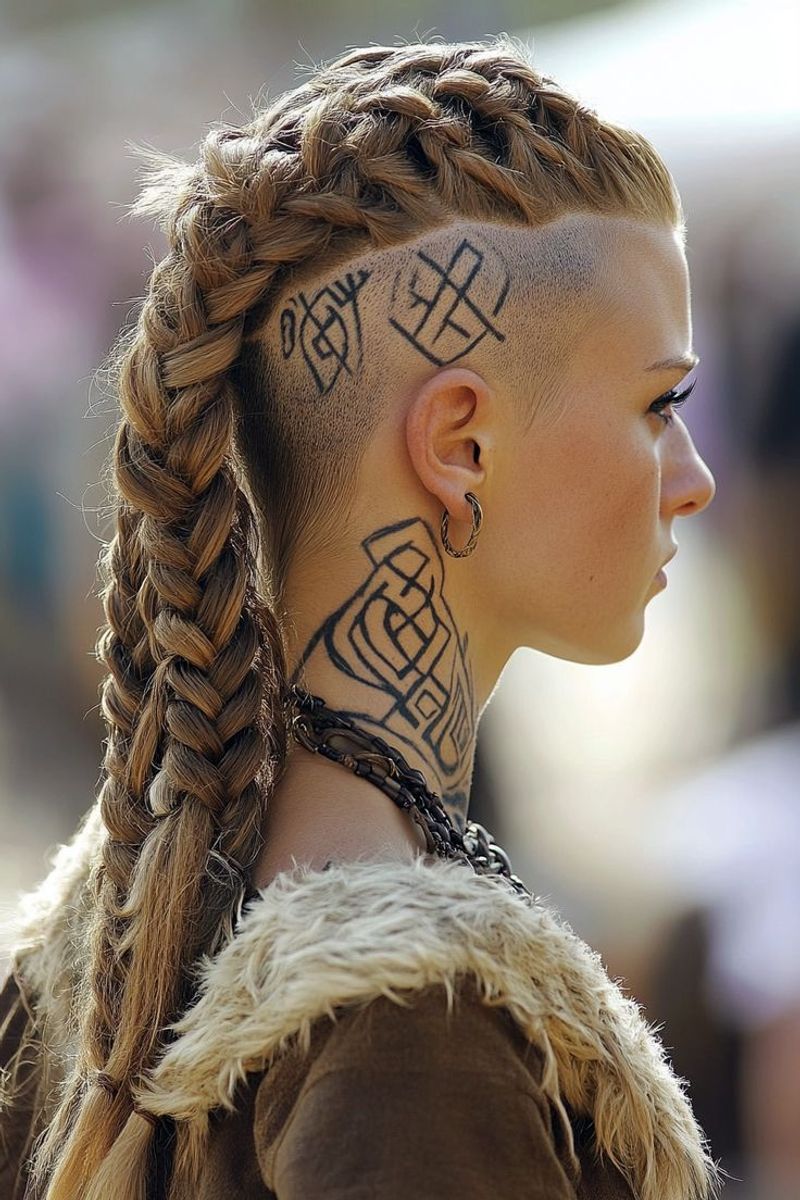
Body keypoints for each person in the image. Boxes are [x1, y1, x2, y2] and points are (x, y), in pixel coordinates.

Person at [0, 35, 724, 1200]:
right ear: (458, 445)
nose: (691, 477)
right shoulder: (412, 1033)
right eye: (657, 403)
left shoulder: (103, 944)